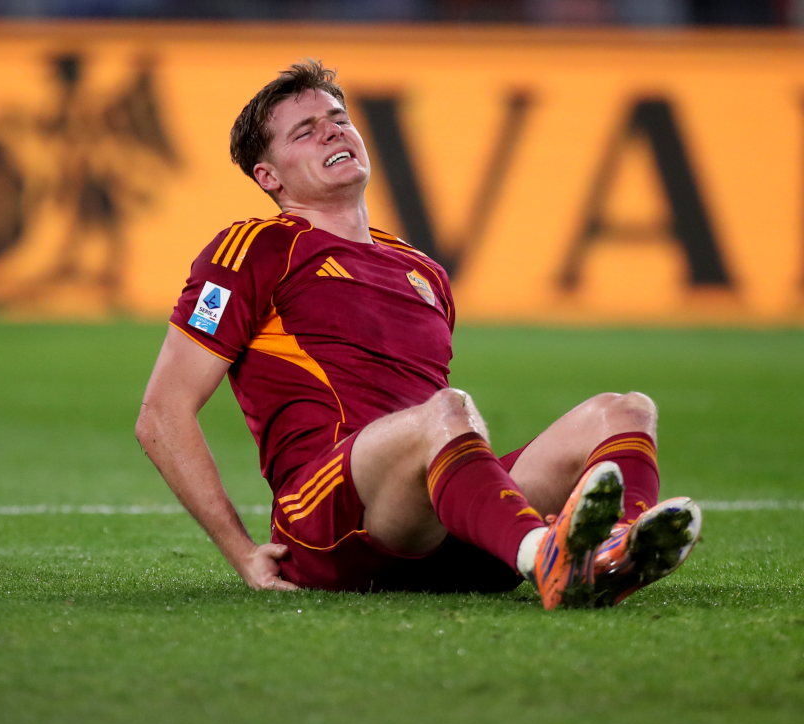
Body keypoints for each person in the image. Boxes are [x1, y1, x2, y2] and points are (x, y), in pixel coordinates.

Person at [134, 60, 701, 608]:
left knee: (624, 411)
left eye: (338, 119)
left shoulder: (422, 270)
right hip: (331, 525)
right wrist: (240, 551)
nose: (332, 131)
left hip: (433, 530)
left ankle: (612, 554)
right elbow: (162, 413)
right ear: (269, 176)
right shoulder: (255, 249)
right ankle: (542, 554)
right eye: (305, 131)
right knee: (447, 410)